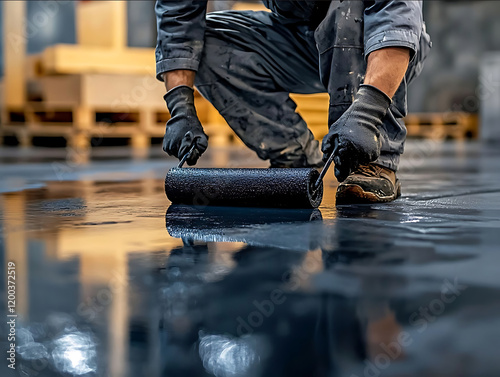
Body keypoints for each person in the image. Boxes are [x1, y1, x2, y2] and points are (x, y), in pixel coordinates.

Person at [155, 0, 431, 204]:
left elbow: (395, 13)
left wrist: (367, 112)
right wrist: (180, 107)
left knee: (347, 10)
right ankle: (294, 156)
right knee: (210, 42)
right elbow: (179, 17)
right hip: (301, 37)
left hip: (378, 40)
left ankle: (373, 160)